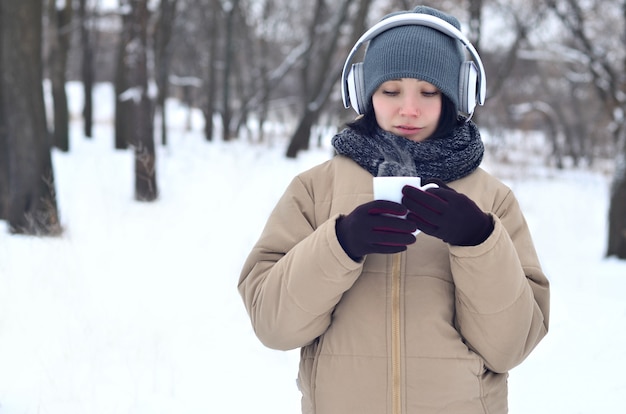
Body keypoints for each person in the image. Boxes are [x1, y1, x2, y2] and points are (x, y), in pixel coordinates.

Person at [238, 5, 549, 414]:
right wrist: (339, 245)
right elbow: (273, 326)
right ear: (362, 92)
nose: (409, 109)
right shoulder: (314, 191)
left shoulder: (492, 201)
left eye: (429, 91)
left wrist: (479, 241)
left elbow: (508, 348)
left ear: (460, 95)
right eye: (390, 91)